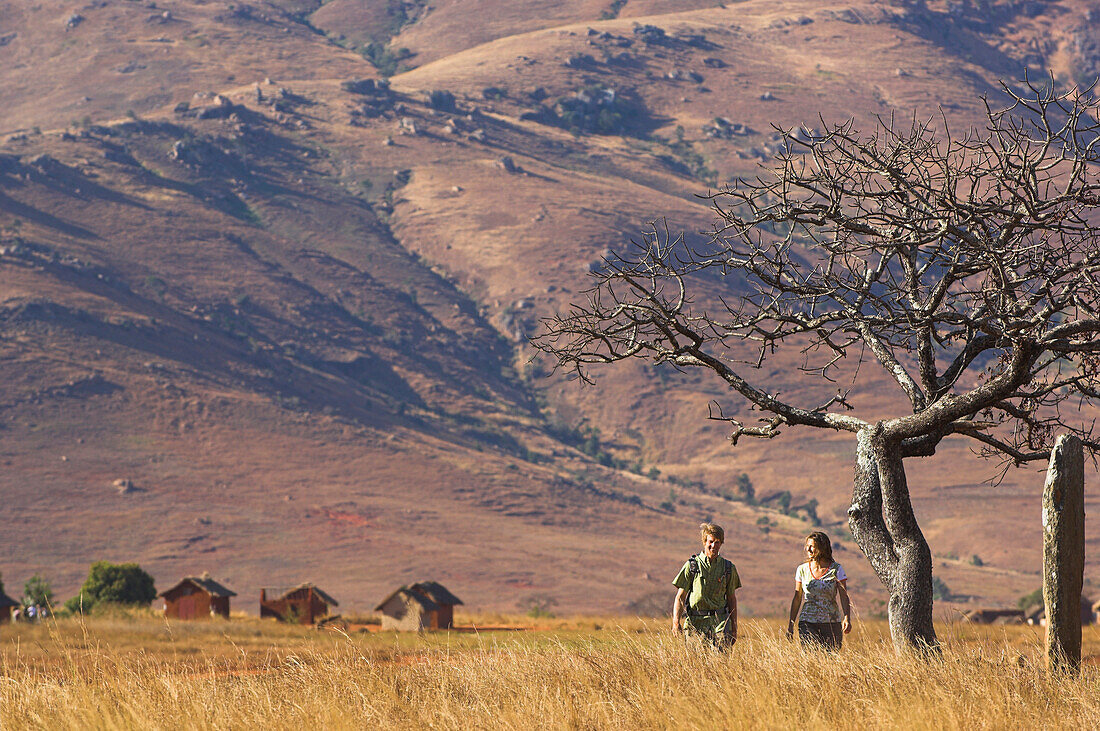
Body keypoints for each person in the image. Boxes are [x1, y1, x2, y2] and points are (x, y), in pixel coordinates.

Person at [672, 522, 741, 649]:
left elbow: (732, 599)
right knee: (695, 665)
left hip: (720, 623)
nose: (714, 545)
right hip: (695, 624)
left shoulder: (728, 568)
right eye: (711, 541)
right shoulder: (692, 566)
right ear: (704, 542)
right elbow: (680, 597)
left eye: (718, 542)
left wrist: (734, 627)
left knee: (720, 664)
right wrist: (676, 622)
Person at [786, 531, 851, 650]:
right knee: (811, 655)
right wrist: (791, 624)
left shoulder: (836, 569)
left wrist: (847, 618)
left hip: (831, 622)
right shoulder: (802, 570)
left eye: (812, 547)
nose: (808, 550)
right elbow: (797, 598)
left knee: (831, 658)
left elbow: (843, 596)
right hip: (807, 621)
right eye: (807, 546)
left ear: (822, 548)